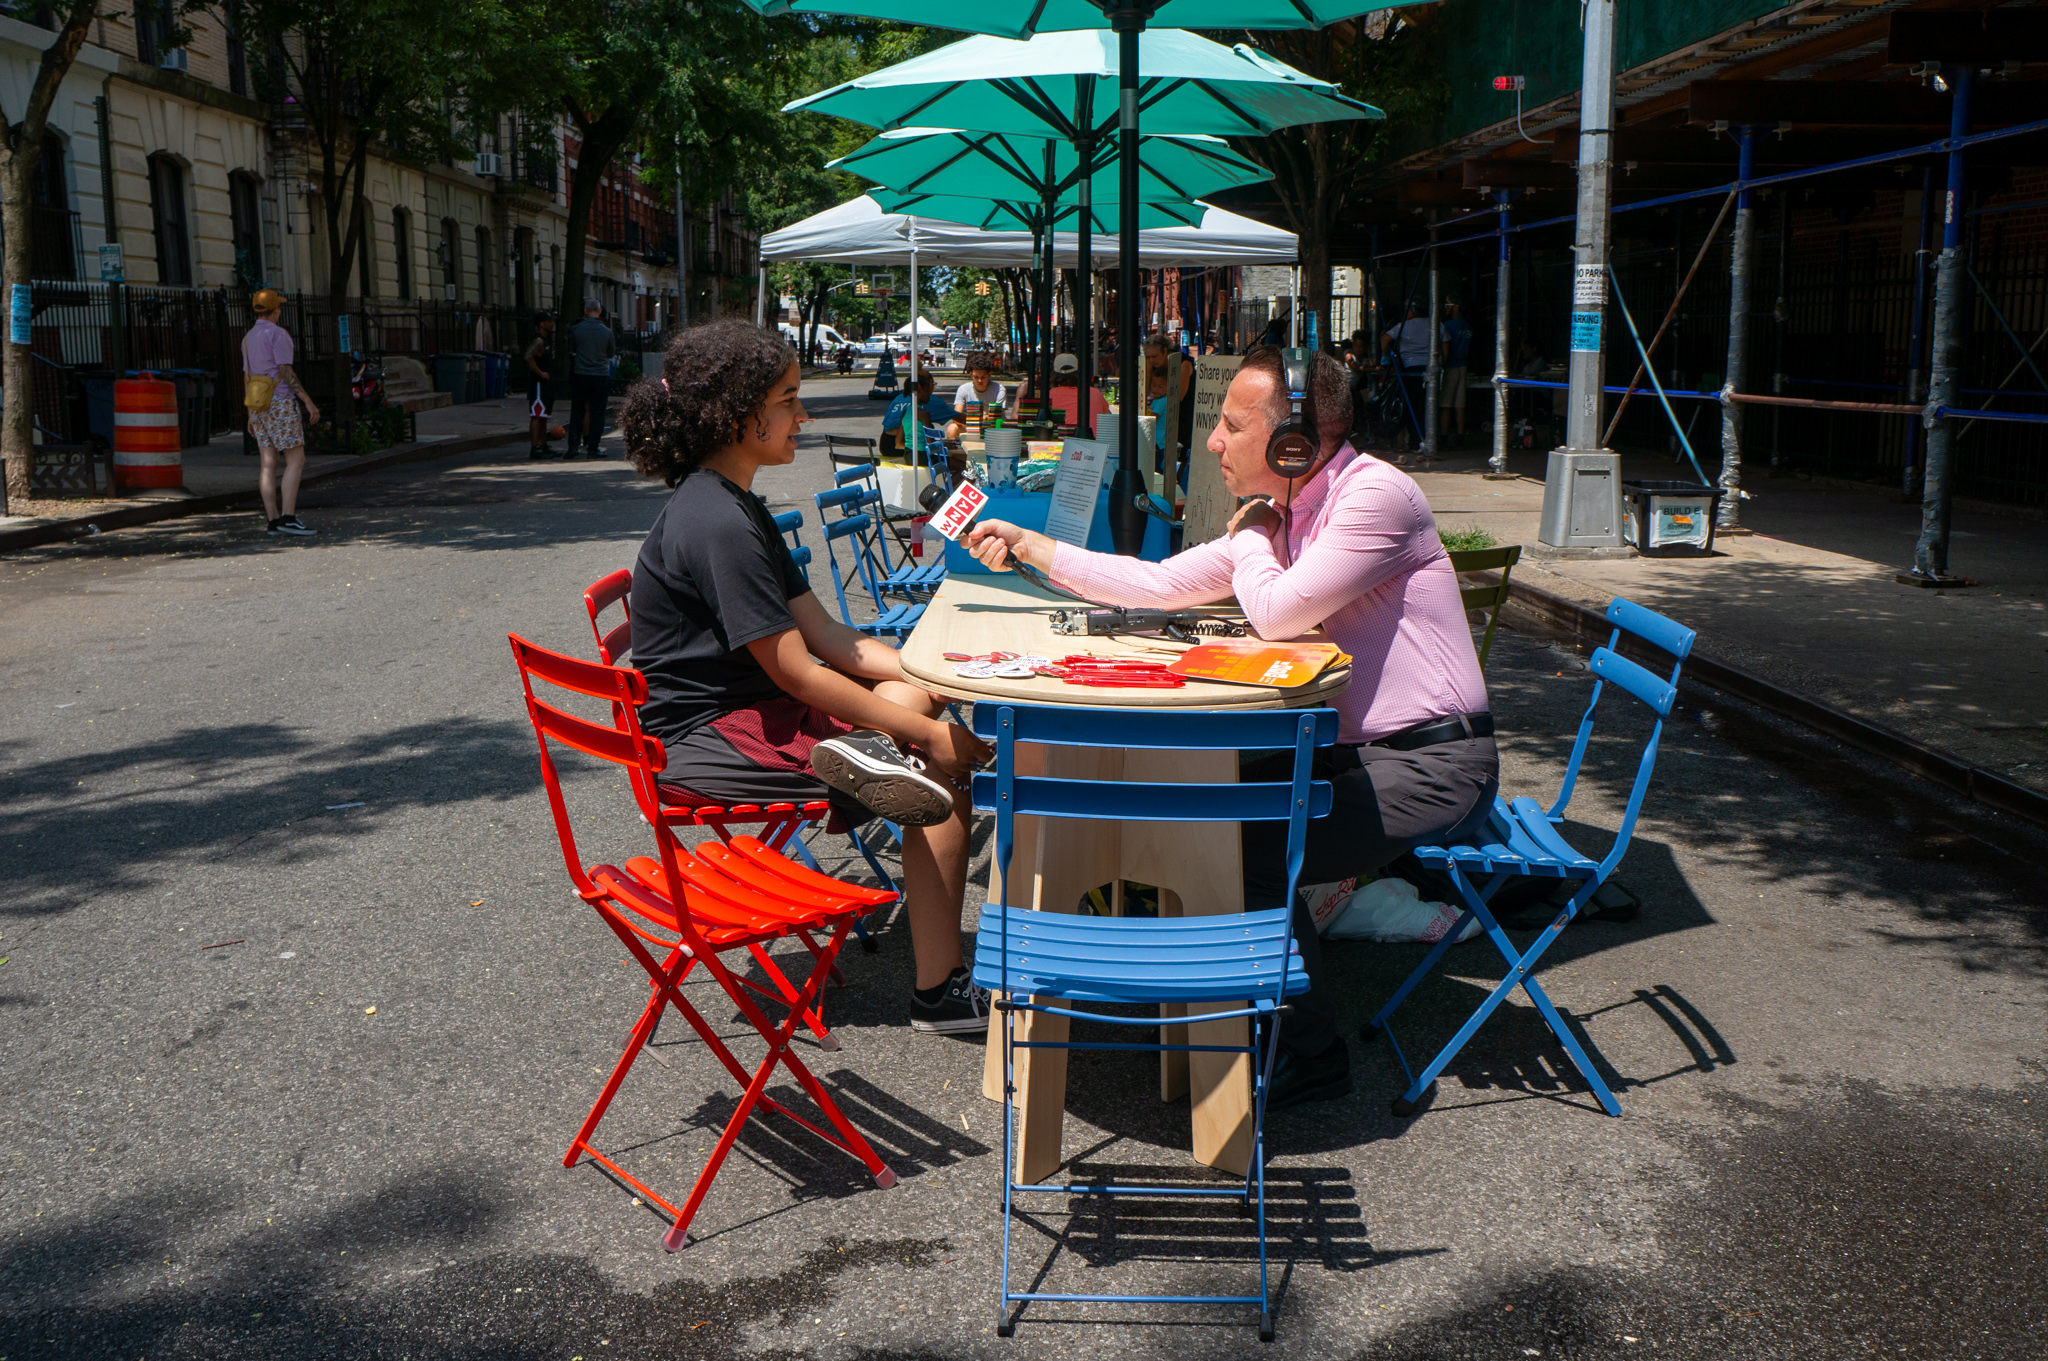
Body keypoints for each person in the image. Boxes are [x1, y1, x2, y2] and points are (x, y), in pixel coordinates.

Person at [964, 345, 1497, 1109]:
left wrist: (1250, 537)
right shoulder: (1290, 513)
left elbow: (1278, 613)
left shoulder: (1377, 497)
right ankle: (1201, 996)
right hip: (1355, 755)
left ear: (1294, 443)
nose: (1212, 441)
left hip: (1433, 766)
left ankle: (1309, 1052)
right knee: (1199, 809)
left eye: (1230, 424)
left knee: (1236, 842)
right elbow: (1157, 584)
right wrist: (1033, 546)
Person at [620, 320, 994, 1033]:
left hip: (747, 714)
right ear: (738, 415)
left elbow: (830, 635)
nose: (805, 415)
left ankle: (876, 752)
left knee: (918, 707)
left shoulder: (734, 502)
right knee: (934, 771)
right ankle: (937, 992)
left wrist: (935, 670)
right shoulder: (718, 522)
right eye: (790, 400)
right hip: (708, 743)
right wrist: (919, 728)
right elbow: (796, 667)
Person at [241, 288, 320, 537]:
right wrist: (308, 401)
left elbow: (247, 377)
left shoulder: (247, 338)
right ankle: (288, 516)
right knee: (296, 459)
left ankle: (273, 520)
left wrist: (250, 414)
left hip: (258, 404)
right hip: (281, 401)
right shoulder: (278, 334)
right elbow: (285, 370)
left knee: (268, 464)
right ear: (276, 310)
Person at [881, 370, 965, 476]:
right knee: (963, 467)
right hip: (922, 457)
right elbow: (930, 442)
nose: (930, 395)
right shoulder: (924, 413)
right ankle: (947, 491)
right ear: (919, 392)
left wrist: (912, 448)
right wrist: (945, 447)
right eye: (927, 391)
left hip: (908, 456)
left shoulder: (905, 412)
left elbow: (898, 443)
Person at [567, 299, 615, 460]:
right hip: (600, 375)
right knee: (597, 413)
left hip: (580, 373)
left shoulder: (576, 329)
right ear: (600, 311)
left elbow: (572, 349)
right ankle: (593, 448)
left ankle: (573, 446)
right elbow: (611, 353)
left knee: (577, 411)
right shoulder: (607, 332)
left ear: (586, 310)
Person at [524, 312, 560, 460]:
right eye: (549, 321)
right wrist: (540, 373)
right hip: (538, 383)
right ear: (541, 324)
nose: (552, 324)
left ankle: (543, 445)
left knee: (544, 415)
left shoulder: (545, 341)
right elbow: (528, 357)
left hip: (545, 383)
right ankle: (535, 448)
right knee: (537, 415)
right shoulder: (538, 341)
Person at [946, 354, 1006, 441]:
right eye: (976, 377)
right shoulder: (963, 389)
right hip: (970, 427)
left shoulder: (999, 389)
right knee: (952, 428)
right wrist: (977, 420)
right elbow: (956, 416)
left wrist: (983, 419)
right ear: (971, 374)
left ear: (990, 374)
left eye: (983, 377)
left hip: (992, 428)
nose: (979, 381)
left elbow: (997, 416)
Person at [1439, 300, 1472, 450]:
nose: (1446, 308)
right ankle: (1460, 437)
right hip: (1463, 365)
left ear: (1455, 306)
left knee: (1446, 404)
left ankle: (1444, 438)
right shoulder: (1467, 326)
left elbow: (1445, 346)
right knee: (1460, 405)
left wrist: (1443, 364)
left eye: (1448, 305)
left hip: (1450, 365)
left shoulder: (1448, 326)